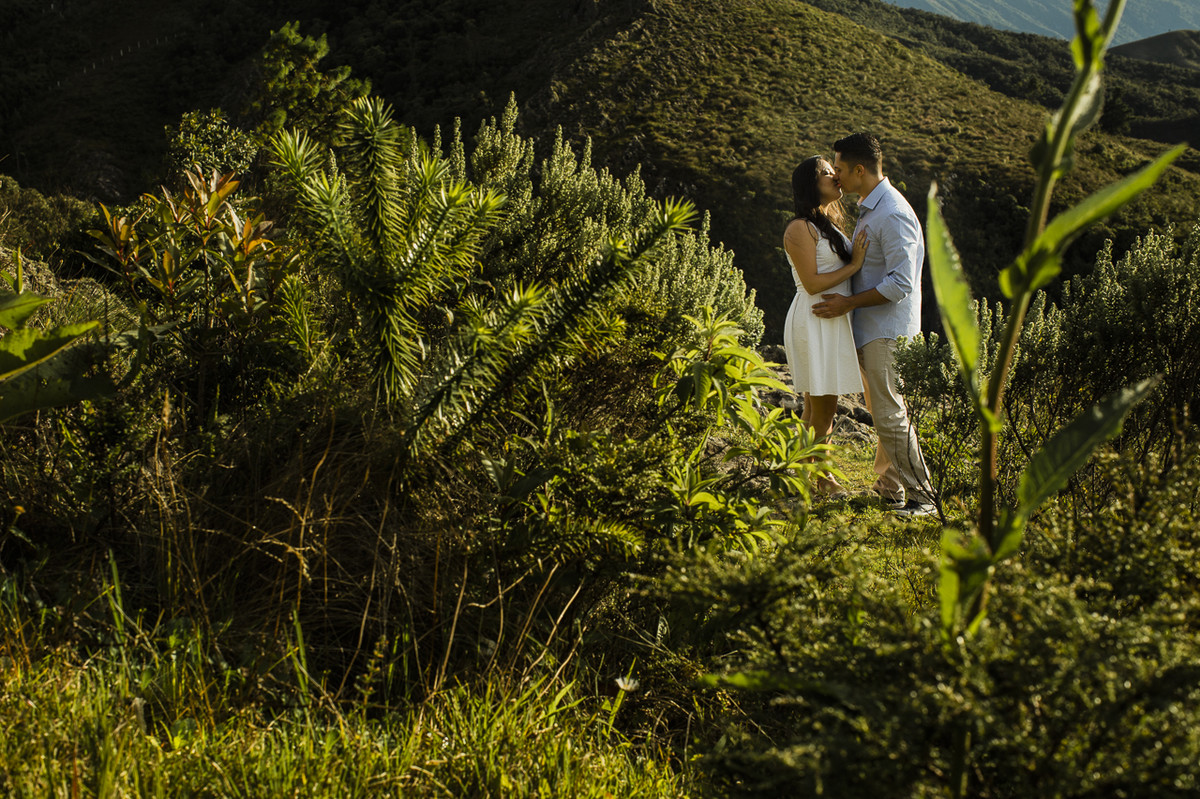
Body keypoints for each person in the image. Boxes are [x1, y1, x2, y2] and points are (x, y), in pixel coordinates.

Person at [813, 133, 937, 517]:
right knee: (883, 408)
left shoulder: (894, 213)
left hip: (889, 330)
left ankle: (924, 498)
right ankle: (889, 486)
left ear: (860, 170)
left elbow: (901, 283)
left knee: (889, 413)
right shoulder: (871, 208)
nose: (836, 176)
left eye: (840, 169)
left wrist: (848, 302)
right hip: (872, 328)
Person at [782, 156, 869, 497]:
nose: (834, 177)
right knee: (825, 408)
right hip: (815, 317)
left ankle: (796, 473)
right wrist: (856, 264)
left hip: (830, 319)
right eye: (825, 173)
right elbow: (813, 283)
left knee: (815, 407)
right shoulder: (798, 228)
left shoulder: (826, 224)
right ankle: (824, 480)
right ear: (810, 183)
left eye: (834, 172)